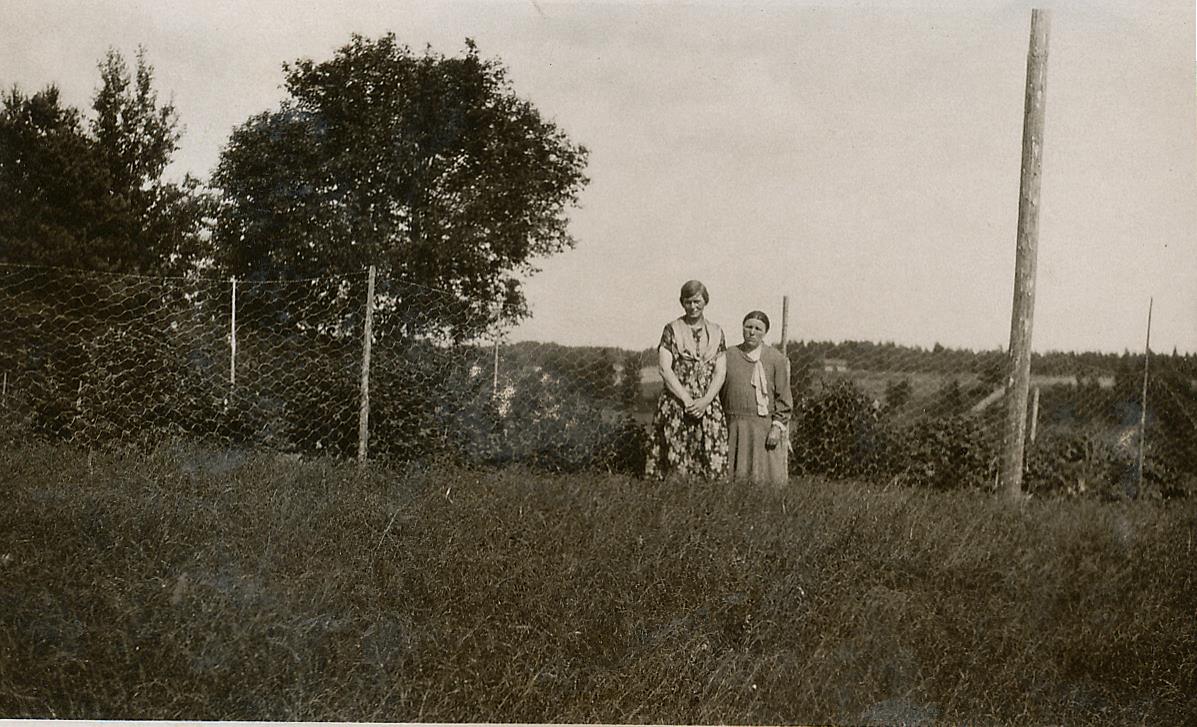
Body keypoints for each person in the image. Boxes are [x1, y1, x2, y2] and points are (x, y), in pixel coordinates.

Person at [645, 280, 728, 479]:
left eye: (697, 301)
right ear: (682, 302)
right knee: (676, 451)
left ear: (705, 301)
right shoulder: (672, 329)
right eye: (688, 302)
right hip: (677, 400)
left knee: (709, 450)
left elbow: (720, 372)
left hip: (707, 402)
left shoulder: (716, 332)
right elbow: (665, 369)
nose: (693, 306)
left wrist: (705, 401)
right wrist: (688, 402)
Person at [722, 310, 792, 485]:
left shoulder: (776, 359)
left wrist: (776, 428)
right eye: (748, 327)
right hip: (733, 426)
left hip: (763, 428)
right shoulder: (728, 355)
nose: (752, 332)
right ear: (742, 328)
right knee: (733, 479)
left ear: (765, 332)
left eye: (758, 329)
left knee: (764, 481)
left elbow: (783, 398)